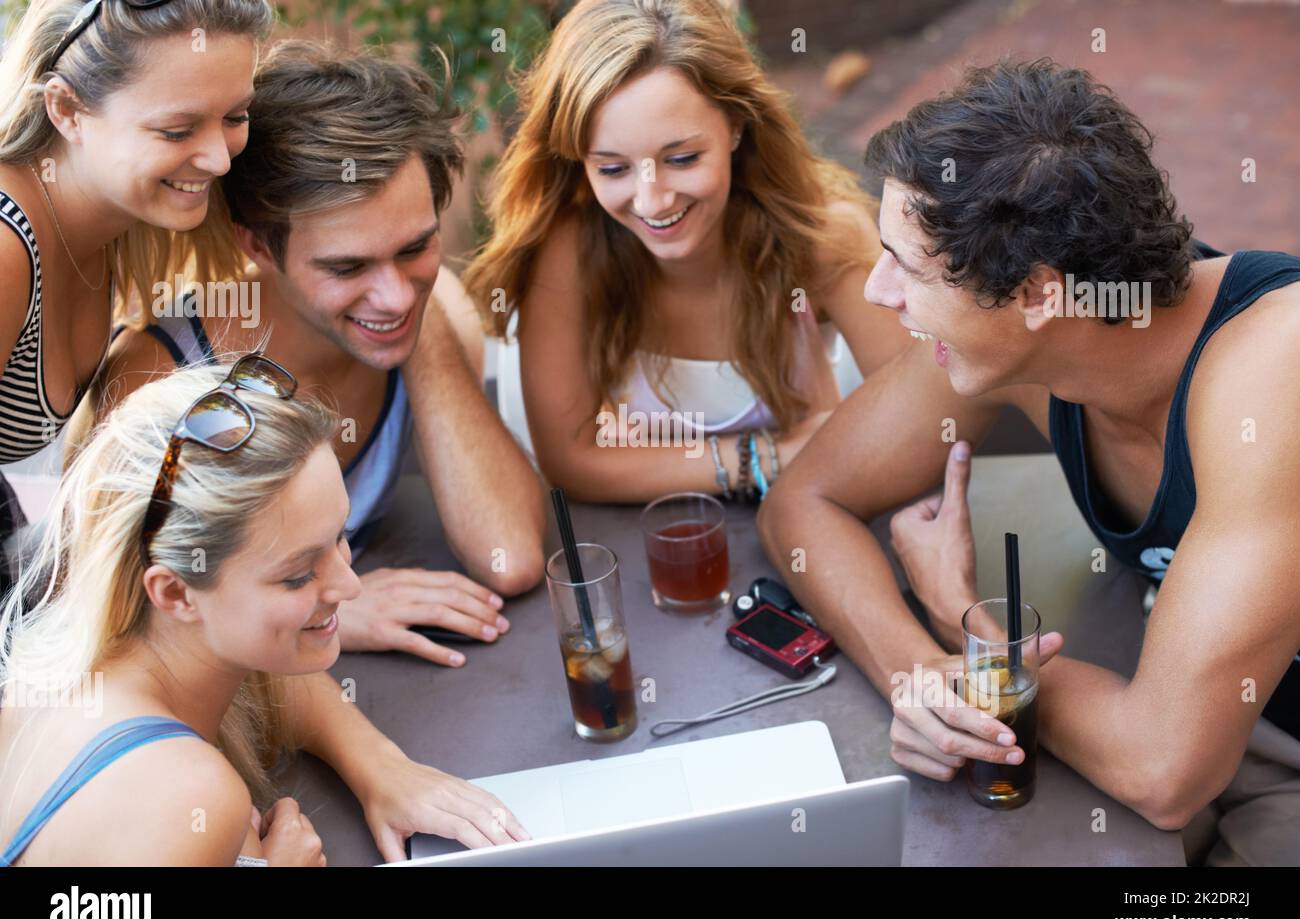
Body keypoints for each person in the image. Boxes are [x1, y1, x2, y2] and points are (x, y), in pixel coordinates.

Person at [757, 59, 1300, 865]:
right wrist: (929, 677)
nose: (877, 292)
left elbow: (1163, 767)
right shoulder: (1022, 342)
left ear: (1041, 294)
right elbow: (805, 502)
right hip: (1175, 701)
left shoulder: (1273, 371)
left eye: (907, 266)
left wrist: (968, 624)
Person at [89, 41, 547, 668]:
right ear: (258, 246)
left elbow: (511, 556)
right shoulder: (164, 376)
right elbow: (114, 612)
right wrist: (327, 607)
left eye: (414, 246)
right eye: (347, 266)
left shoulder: (429, 314)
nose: (390, 293)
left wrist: (420, 315)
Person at [0, 360, 529, 865]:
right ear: (176, 594)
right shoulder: (193, 799)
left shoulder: (88, 663)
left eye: (339, 537)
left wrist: (382, 767)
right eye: (298, 575)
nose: (348, 586)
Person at [463, 0, 910, 503]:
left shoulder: (825, 239)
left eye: (681, 158)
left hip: (824, 511)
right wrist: (770, 457)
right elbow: (571, 461)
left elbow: (922, 420)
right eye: (612, 169)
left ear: (737, 125)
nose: (652, 201)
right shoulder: (569, 254)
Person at [0, 0, 274, 591]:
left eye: (235, 115)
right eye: (177, 130)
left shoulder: (117, 219)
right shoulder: (5, 248)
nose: (220, 158)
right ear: (67, 110)